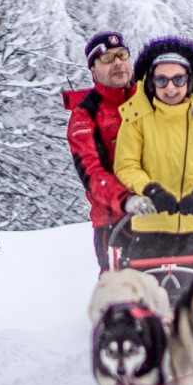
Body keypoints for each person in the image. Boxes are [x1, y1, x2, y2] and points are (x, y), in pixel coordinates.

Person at [113, 36, 193, 265]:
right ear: (151, 83)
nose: (170, 88)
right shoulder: (135, 119)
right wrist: (151, 190)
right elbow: (127, 166)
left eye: (178, 80)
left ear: (189, 80)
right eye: (162, 81)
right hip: (149, 231)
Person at [63, 30, 136, 271]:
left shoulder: (152, 99)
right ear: (93, 69)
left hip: (164, 216)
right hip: (116, 224)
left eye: (121, 55)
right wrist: (126, 200)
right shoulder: (85, 115)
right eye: (106, 59)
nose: (117, 63)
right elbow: (92, 173)